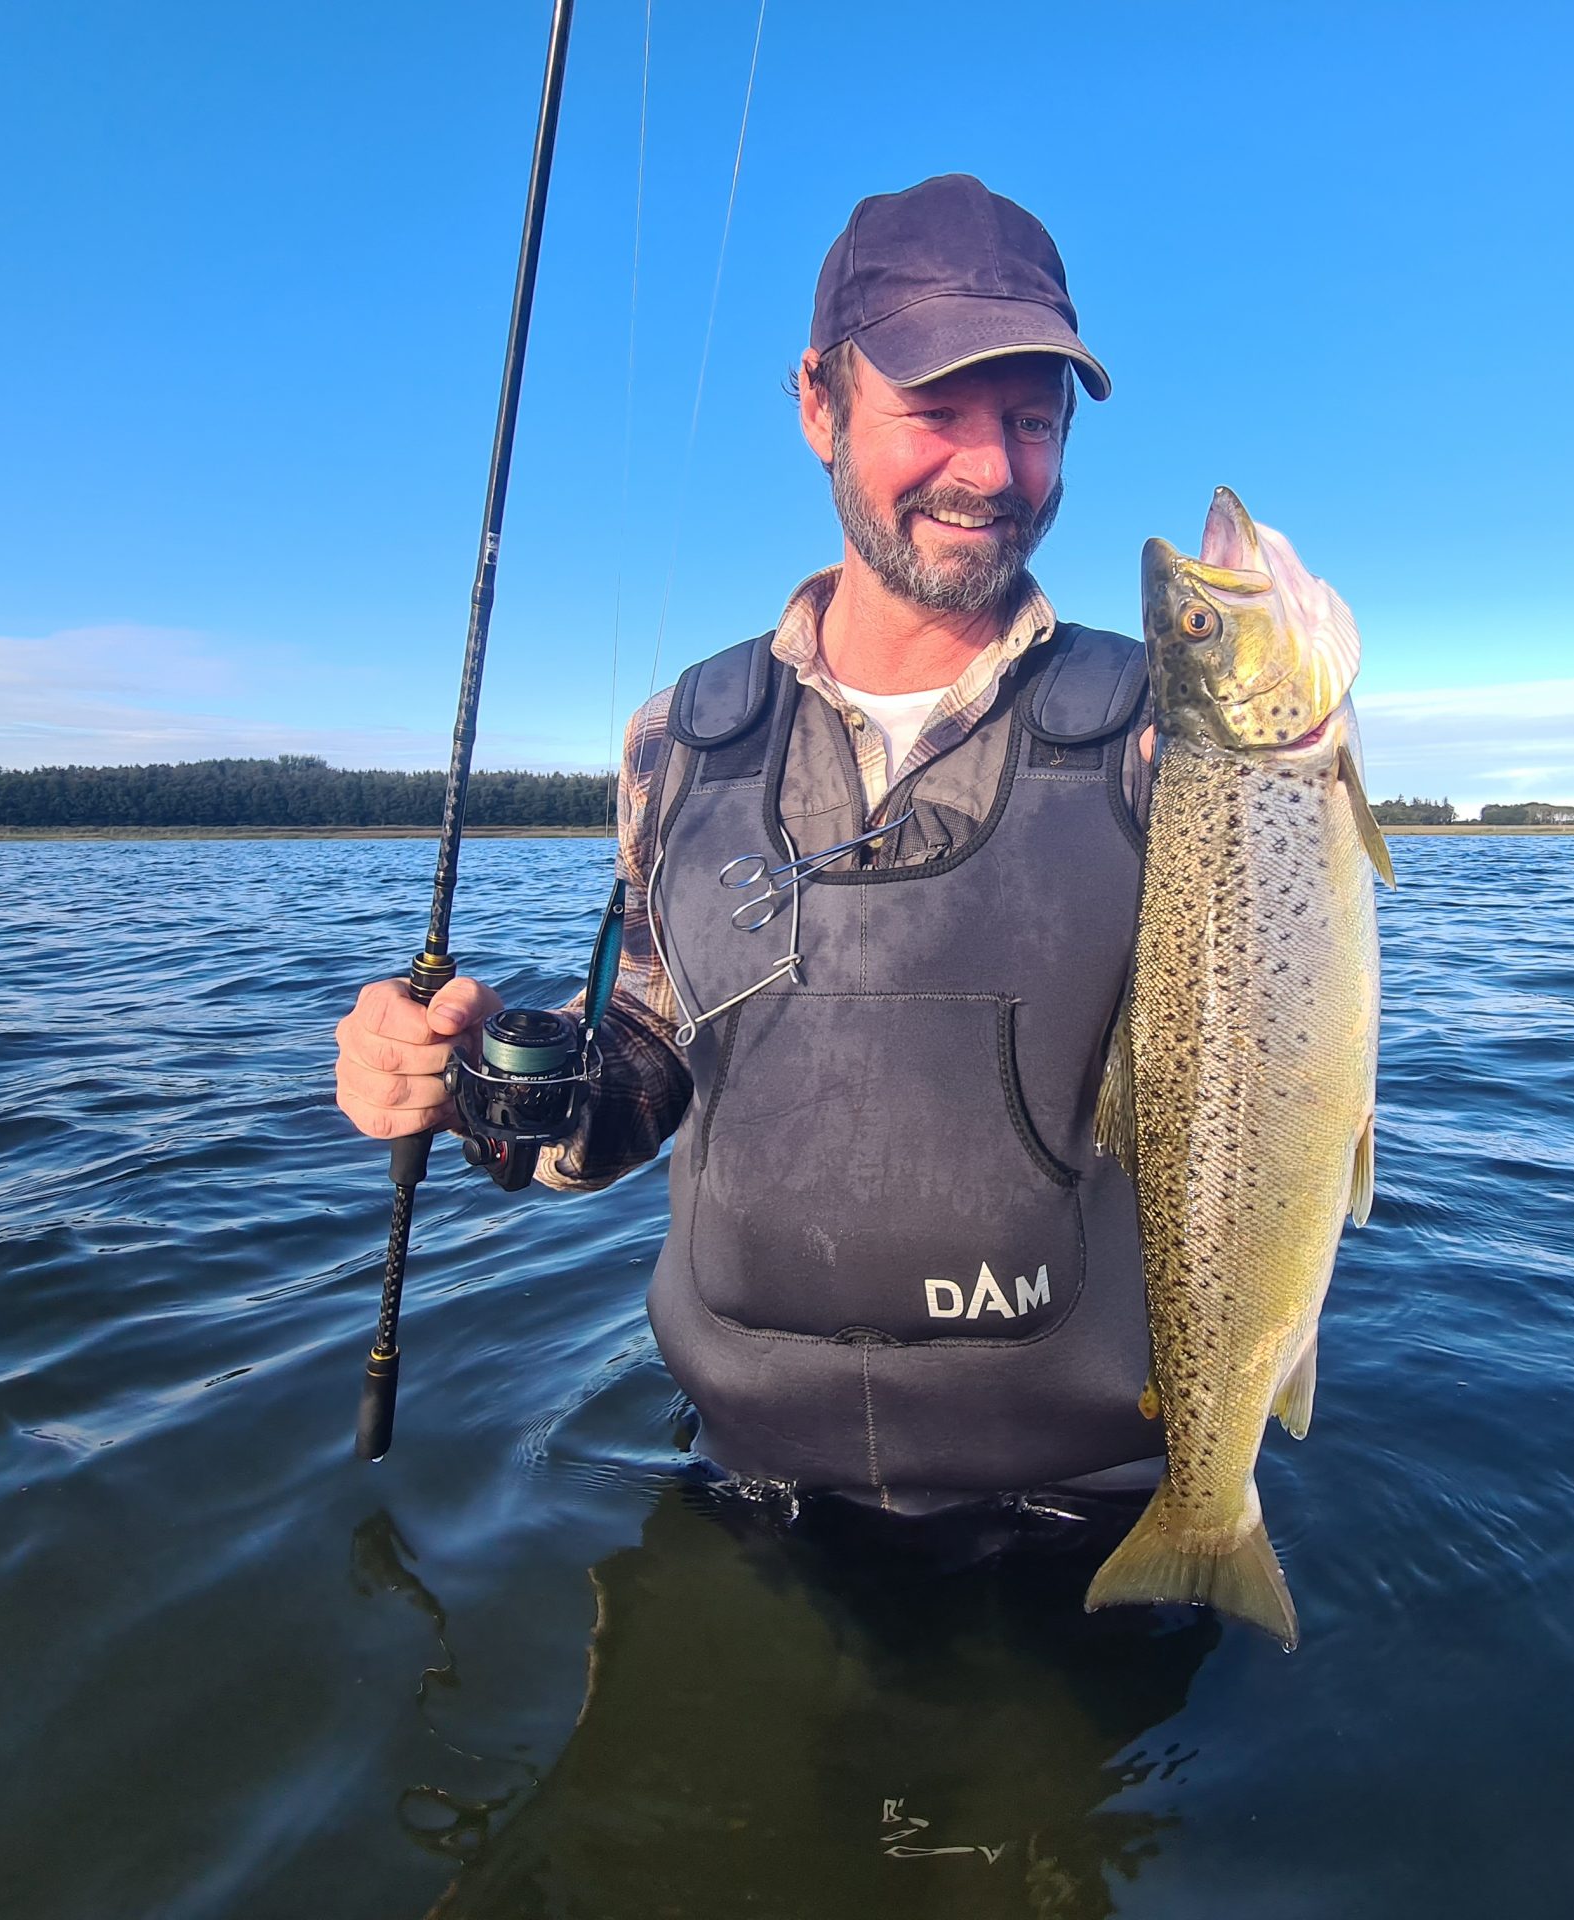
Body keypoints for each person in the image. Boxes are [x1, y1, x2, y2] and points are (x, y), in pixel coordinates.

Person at [335, 174, 1158, 1514]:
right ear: (818, 404)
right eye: (935, 413)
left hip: (1098, 1518)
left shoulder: (1166, 737)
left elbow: (1269, 1069)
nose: (994, 471)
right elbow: (652, 1053)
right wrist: (473, 1080)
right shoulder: (682, 737)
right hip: (741, 1491)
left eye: (1031, 422)